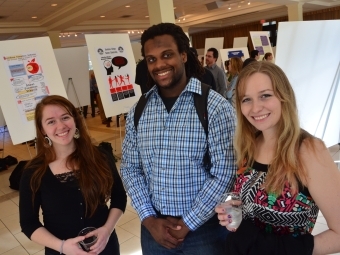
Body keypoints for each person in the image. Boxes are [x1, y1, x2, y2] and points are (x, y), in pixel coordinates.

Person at [121, 23, 237, 255]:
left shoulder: (214, 107)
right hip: (154, 230)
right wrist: (148, 218)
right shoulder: (139, 110)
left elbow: (225, 172)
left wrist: (188, 223)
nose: (159, 65)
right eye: (151, 59)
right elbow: (130, 168)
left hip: (204, 230)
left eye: (167, 55)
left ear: (183, 55)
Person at [215, 61, 340, 254]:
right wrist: (233, 212)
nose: (255, 108)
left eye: (265, 95)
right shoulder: (249, 146)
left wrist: (284, 249)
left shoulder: (309, 151)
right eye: (246, 99)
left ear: (284, 97)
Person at [19, 95, 127, 255]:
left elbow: (119, 197)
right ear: (43, 130)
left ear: (75, 120)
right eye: (51, 121)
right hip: (61, 251)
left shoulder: (100, 156)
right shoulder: (33, 172)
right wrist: (62, 246)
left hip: (104, 247)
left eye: (65, 117)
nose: (61, 126)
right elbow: (29, 223)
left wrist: (107, 230)